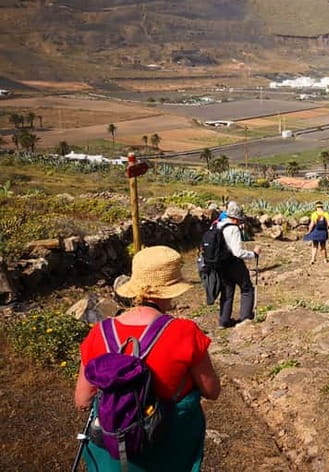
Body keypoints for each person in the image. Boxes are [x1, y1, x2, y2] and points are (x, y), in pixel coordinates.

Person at [74, 245, 221, 471]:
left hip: (114, 452)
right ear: (171, 290)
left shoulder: (100, 332)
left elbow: (82, 400)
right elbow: (212, 391)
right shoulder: (185, 332)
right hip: (167, 448)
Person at [217, 201, 261, 328]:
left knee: (227, 290)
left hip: (221, 264)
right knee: (247, 288)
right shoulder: (233, 229)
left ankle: (223, 321)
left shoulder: (219, 225)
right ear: (237, 218)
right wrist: (254, 254)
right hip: (234, 263)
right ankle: (245, 319)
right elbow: (237, 252)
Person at [305, 200, 329, 264]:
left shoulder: (314, 214)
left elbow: (311, 224)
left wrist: (309, 232)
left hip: (315, 231)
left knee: (314, 246)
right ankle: (325, 259)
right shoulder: (326, 214)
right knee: (323, 246)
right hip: (323, 232)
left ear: (316, 207)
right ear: (322, 207)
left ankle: (313, 259)